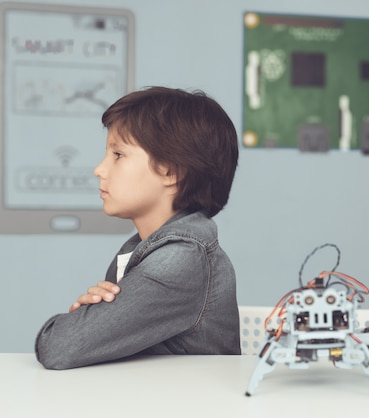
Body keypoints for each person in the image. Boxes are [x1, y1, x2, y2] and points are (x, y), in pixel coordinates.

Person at [35, 87, 241, 369]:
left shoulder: (180, 260)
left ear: (171, 171)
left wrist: (85, 322)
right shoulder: (148, 248)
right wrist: (94, 322)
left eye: (118, 154)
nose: (99, 169)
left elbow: (58, 347)